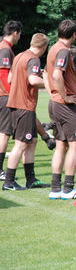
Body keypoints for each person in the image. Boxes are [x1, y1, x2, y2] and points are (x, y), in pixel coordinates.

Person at [2, 33, 50, 190]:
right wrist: (51, 84)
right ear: (44, 47)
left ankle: (31, 179)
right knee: (21, 144)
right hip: (24, 105)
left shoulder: (19, 56)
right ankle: (9, 182)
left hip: (16, 104)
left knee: (32, 141)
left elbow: (9, 79)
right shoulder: (33, 59)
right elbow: (33, 80)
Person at [46, 19, 76, 200]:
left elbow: (46, 74)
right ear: (73, 34)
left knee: (61, 144)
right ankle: (68, 189)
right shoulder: (63, 50)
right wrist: (65, 96)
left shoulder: (53, 48)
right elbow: (55, 74)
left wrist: (53, 94)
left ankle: (55, 188)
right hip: (65, 105)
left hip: (54, 103)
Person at [0, 21, 22, 181]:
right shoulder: (5, 49)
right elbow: (4, 75)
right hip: (4, 96)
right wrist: (12, 94)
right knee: (5, 133)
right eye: (20, 34)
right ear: (15, 32)